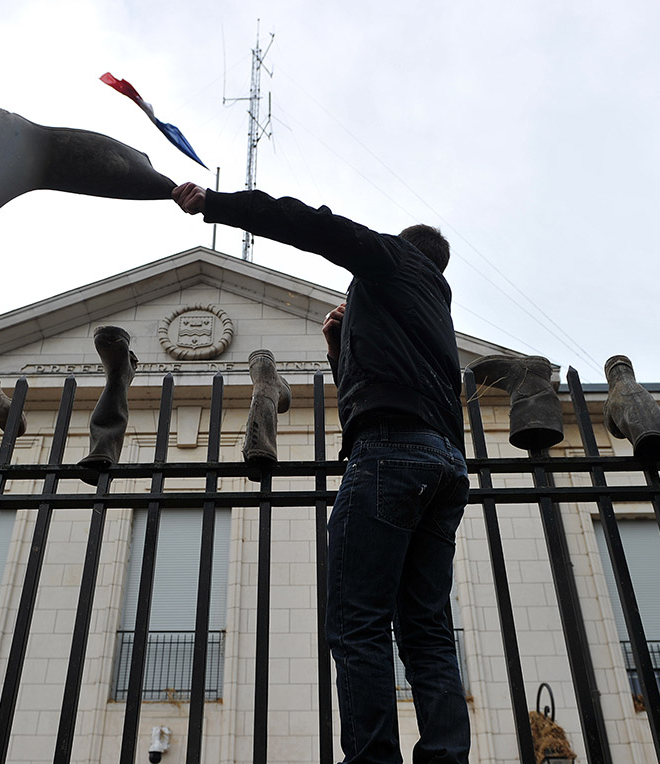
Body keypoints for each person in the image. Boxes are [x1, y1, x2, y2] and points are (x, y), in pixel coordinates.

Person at [172, 183, 470, 764]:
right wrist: (340, 347)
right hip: (443, 468)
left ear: (401, 250)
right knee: (427, 633)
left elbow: (317, 226)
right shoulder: (432, 313)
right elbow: (383, 388)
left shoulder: (392, 259)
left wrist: (215, 202)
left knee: (358, 624)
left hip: (391, 456)